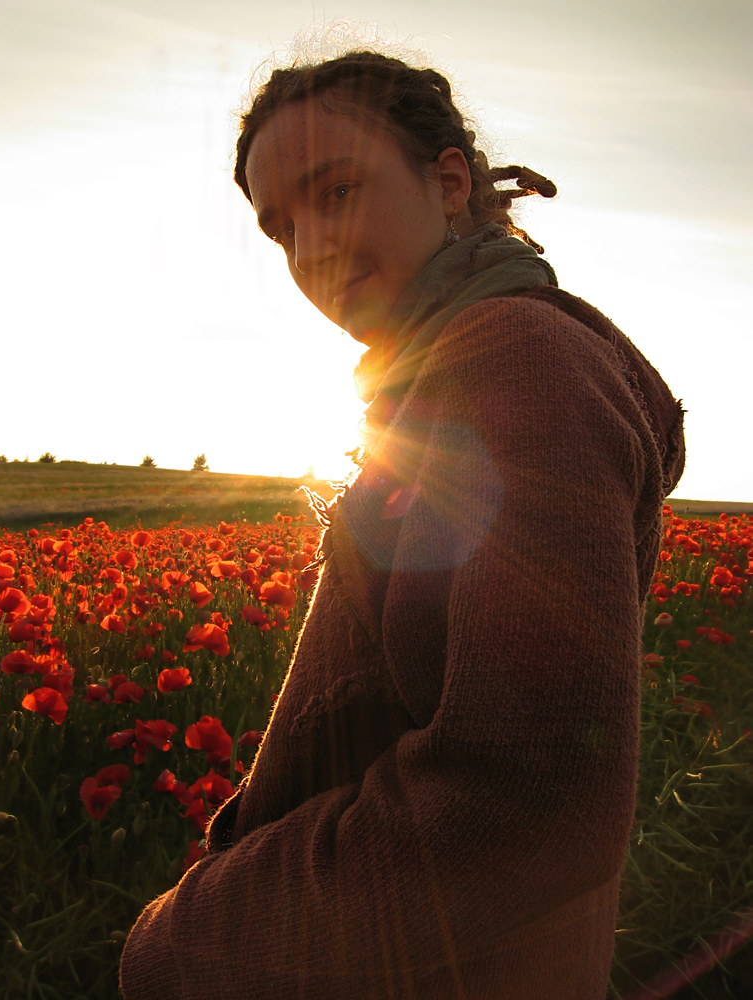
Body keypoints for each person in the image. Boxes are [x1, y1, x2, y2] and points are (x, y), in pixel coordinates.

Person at [120, 48, 685, 1000]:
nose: (308, 252)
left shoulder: (514, 359)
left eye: (335, 191)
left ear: (450, 181)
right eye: (280, 229)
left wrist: (182, 940)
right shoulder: (448, 374)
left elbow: (529, 797)